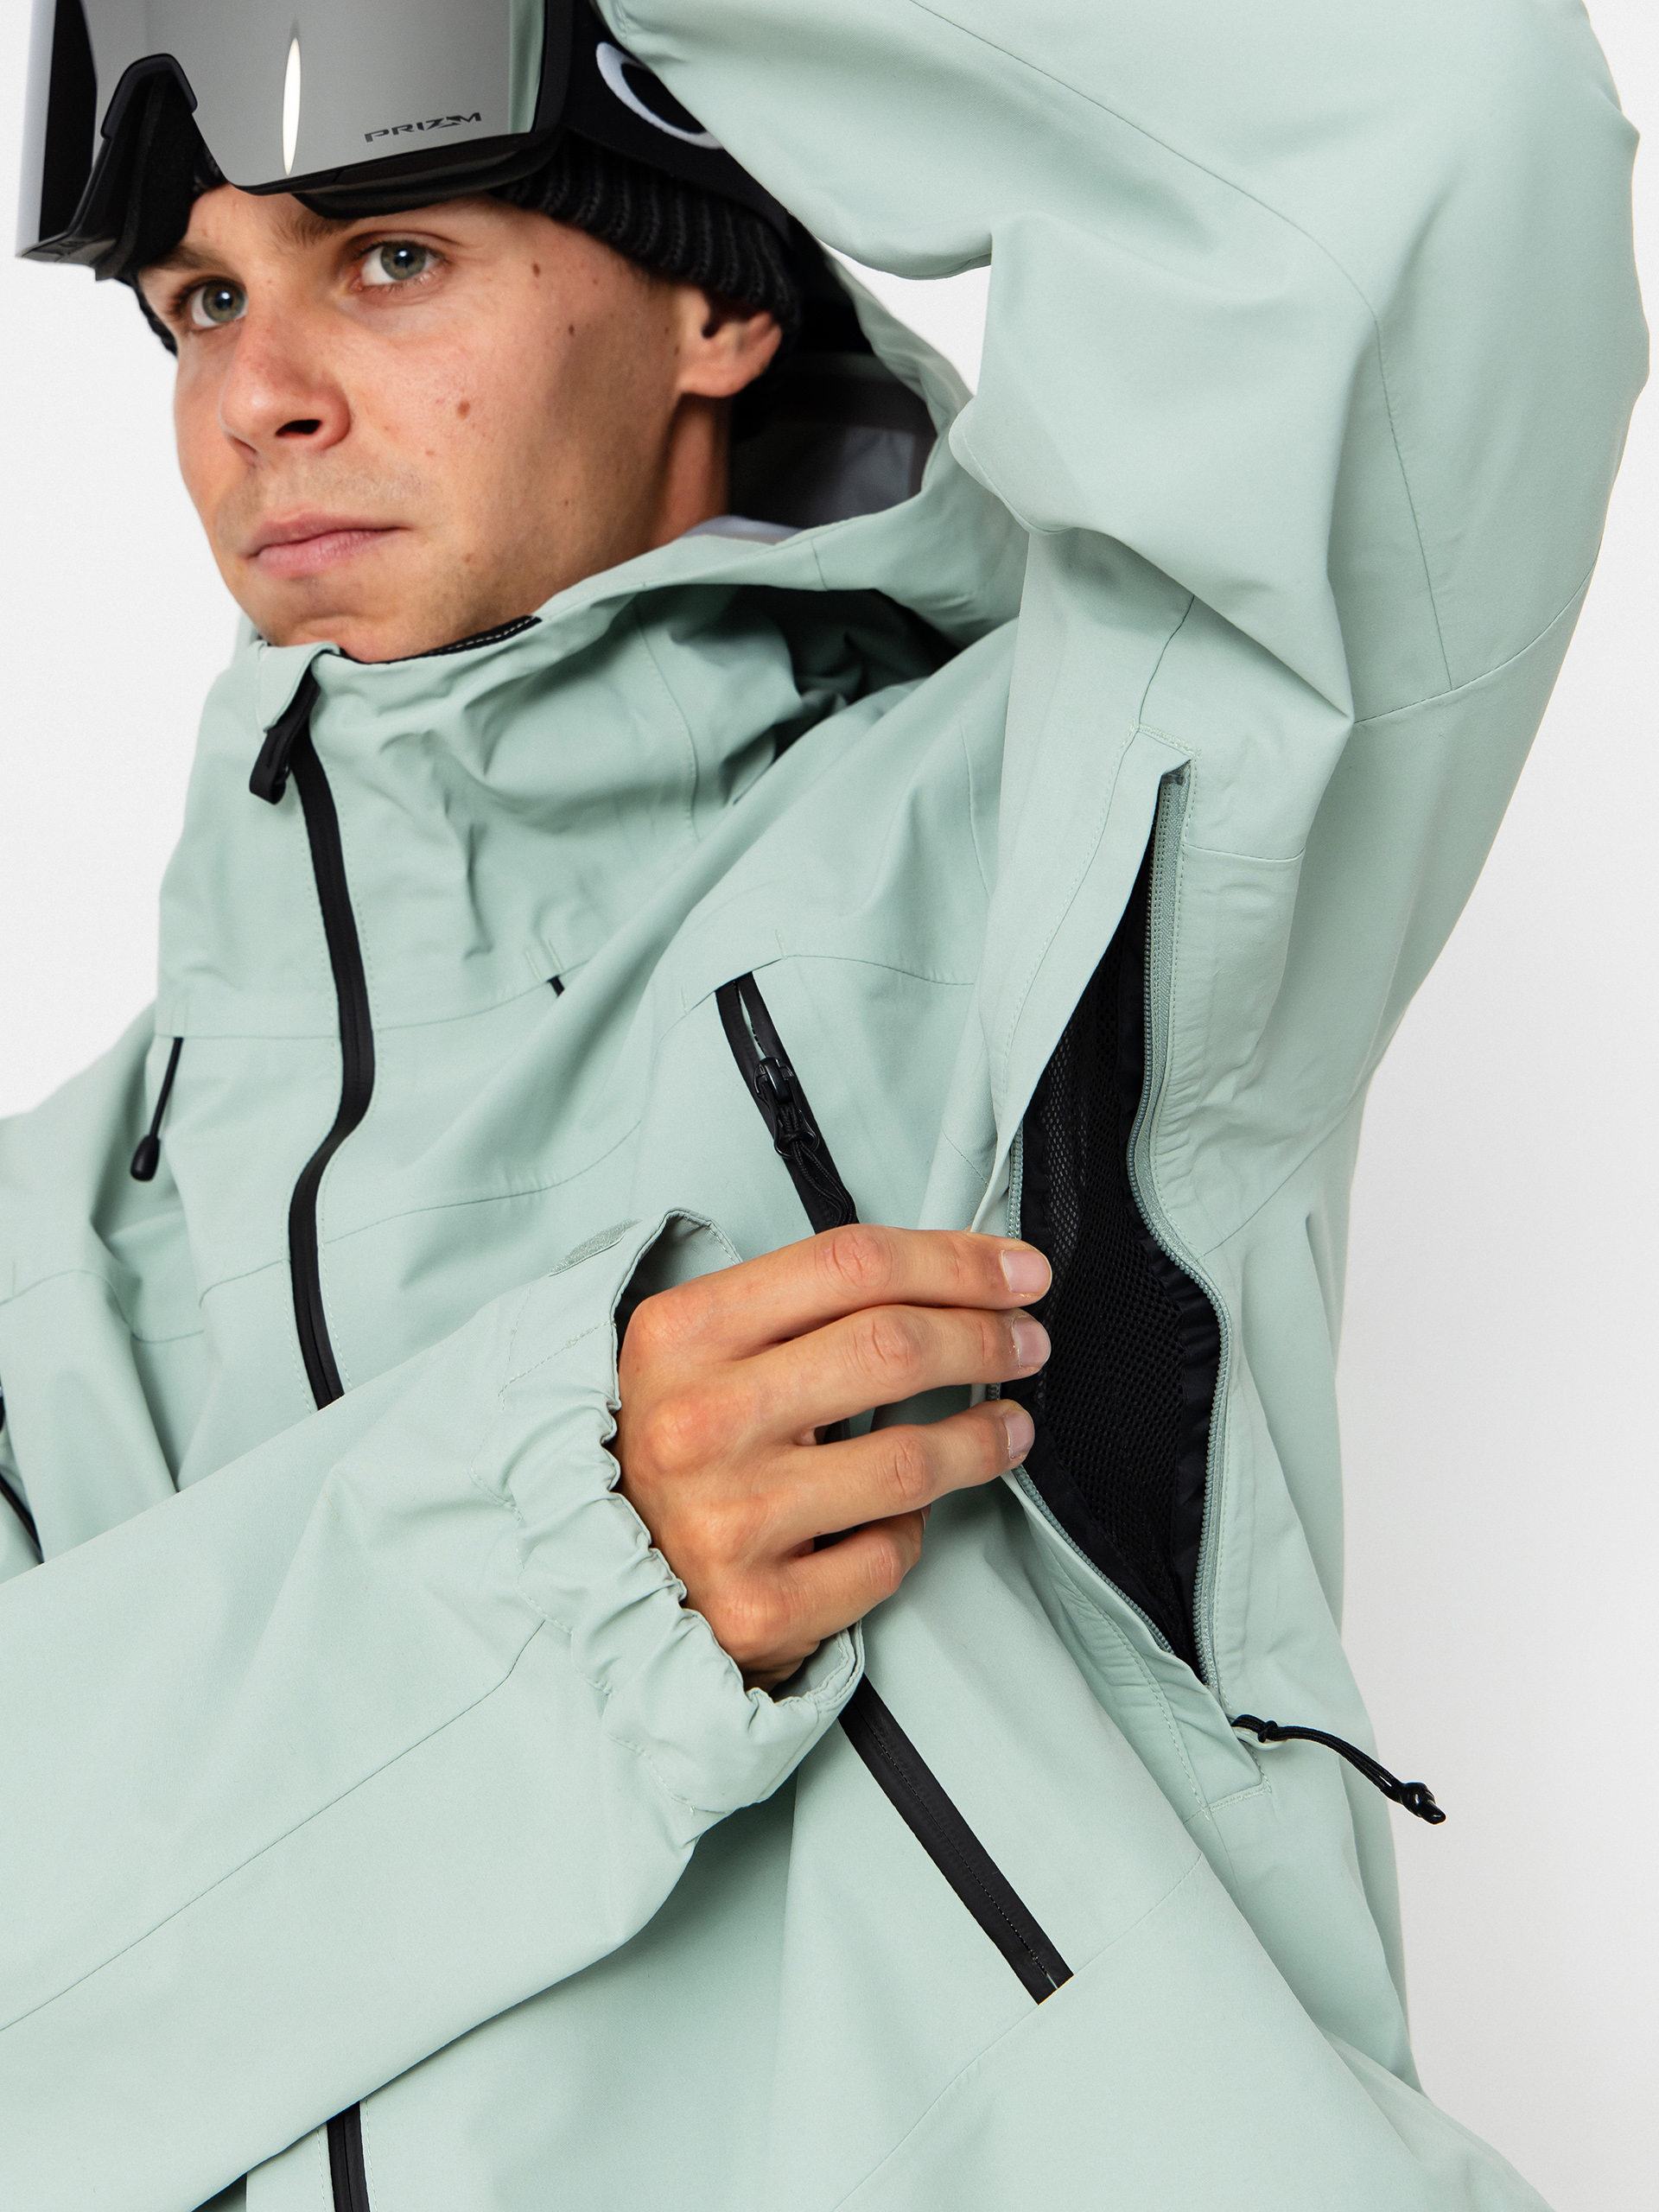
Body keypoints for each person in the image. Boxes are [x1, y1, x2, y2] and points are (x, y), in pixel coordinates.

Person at [0, 3, 1643, 2209]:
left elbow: (1420, 135)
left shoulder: (1032, 839)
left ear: (717, 300)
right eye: (203, 300)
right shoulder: (55, 1248)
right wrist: (566, 1551)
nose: (256, 396)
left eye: (390, 257)